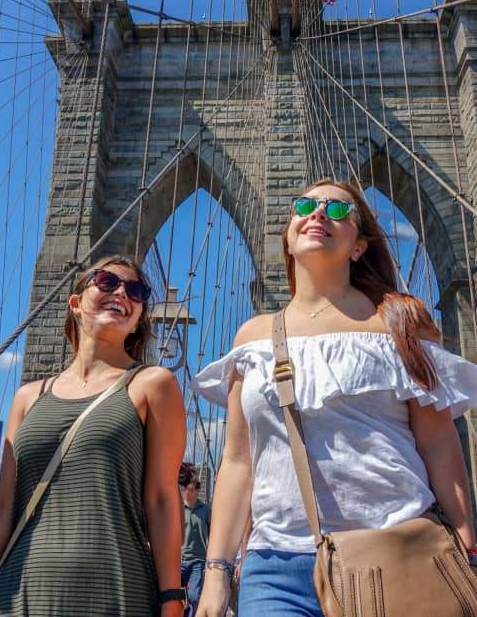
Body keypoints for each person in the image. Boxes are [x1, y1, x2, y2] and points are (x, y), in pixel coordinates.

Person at [191, 179, 477, 617]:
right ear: (289, 236)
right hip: (276, 568)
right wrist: (216, 571)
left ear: (359, 247)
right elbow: (238, 461)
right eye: (306, 205)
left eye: (339, 210)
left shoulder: (398, 324)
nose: (319, 213)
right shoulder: (253, 338)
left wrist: (465, 545)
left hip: (397, 551)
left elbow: (438, 443)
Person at [0, 255, 187, 617]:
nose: (122, 292)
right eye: (106, 281)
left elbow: (162, 499)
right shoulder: (28, 397)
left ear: (137, 321)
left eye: (136, 290)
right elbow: (4, 504)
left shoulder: (152, 385)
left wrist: (172, 597)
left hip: (115, 588)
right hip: (18, 589)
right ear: (75, 304)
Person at [180, 469, 211, 616]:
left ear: (197, 490)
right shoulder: (178, 509)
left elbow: (212, 535)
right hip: (179, 560)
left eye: (191, 489)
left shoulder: (206, 511)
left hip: (198, 561)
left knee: (192, 596)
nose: (187, 492)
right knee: (174, 596)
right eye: (185, 489)